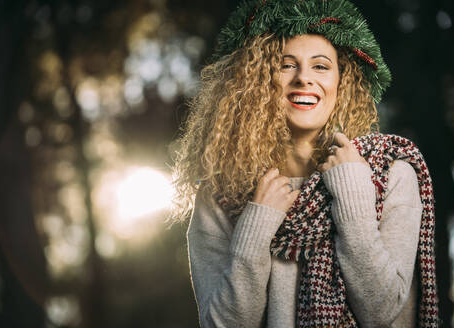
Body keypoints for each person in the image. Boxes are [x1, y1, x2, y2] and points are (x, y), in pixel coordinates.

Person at [172, 0, 439, 327]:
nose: (303, 79)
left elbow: (383, 313)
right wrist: (256, 228)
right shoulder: (221, 195)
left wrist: (354, 197)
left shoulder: (390, 173)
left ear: (343, 82)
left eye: (321, 66)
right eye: (286, 65)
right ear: (256, 81)